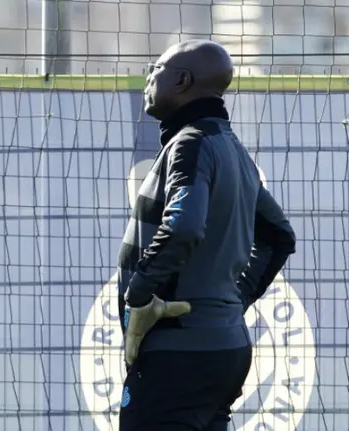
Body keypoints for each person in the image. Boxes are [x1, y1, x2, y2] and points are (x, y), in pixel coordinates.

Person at [116, 39, 297, 431]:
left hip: (178, 355)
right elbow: (279, 236)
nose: (148, 78)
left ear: (182, 81)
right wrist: (234, 300)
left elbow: (184, 225)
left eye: (156, 69)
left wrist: (139, 296)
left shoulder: (192, 143)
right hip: (224, 349)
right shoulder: (230, 147)